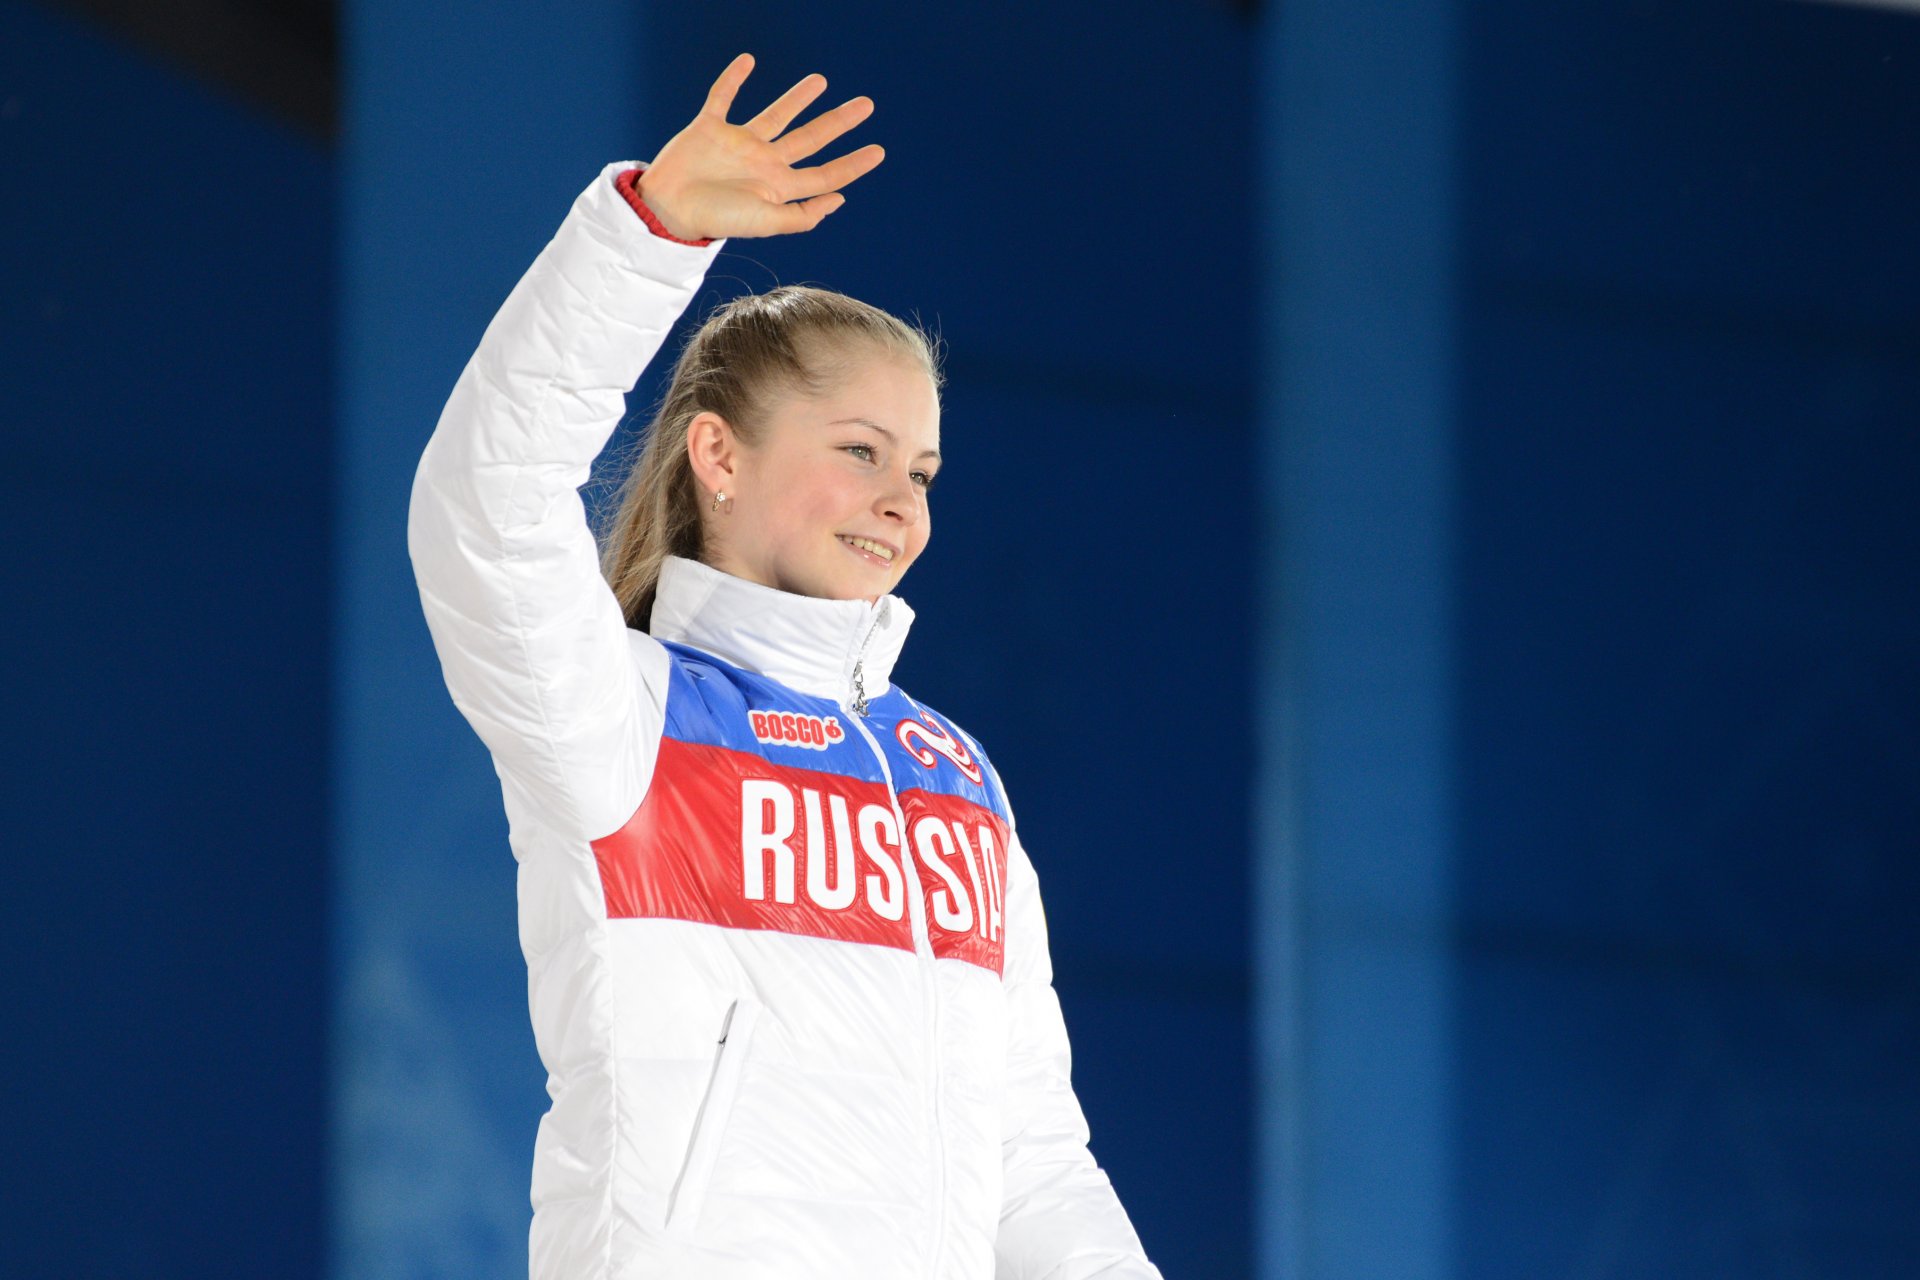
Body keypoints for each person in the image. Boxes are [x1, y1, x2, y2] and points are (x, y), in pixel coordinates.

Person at [407, 52, 1163, 1280]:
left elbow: (1030, 1154)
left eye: (919, 471)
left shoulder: (956, 778)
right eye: (859, 450)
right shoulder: (618, 718)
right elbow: (482, 508)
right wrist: (645, 235)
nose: (897, 503)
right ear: (718, 452)